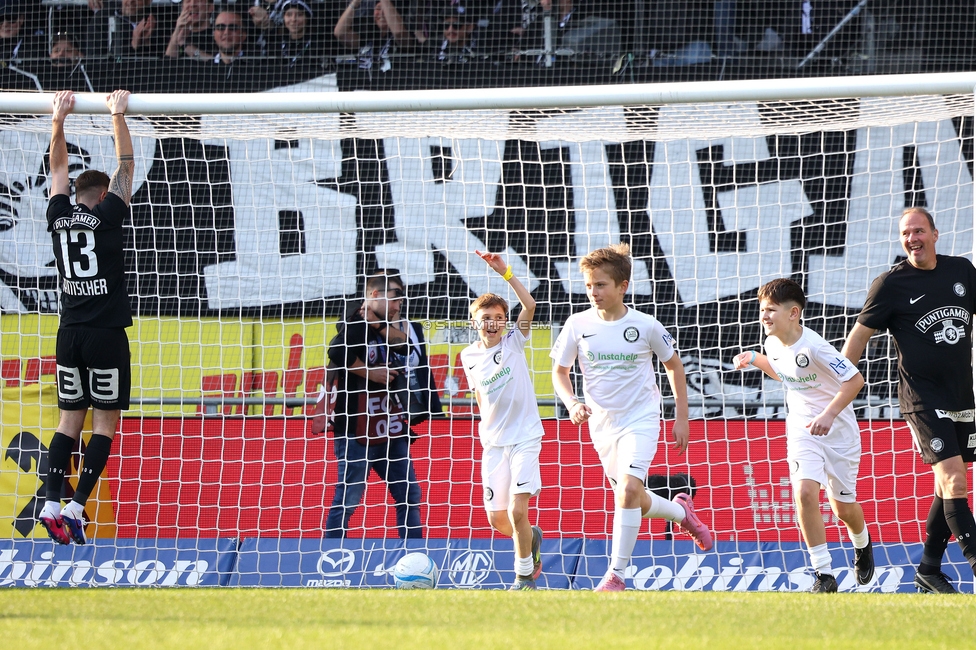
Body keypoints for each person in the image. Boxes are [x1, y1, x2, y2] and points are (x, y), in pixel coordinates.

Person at [550, 242, 711, 592]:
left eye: (601, 284)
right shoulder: (577, 325)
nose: (594, 292)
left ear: (622, 286)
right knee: (633, 497)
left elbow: (674, 366)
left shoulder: (646, 325)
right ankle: (682, 512)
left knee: (627, 493)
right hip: (602, 425)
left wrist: (681, 417)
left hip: (641, 418)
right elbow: (559, 373)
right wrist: (571, 402)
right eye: (589, 285)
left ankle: (615, 576)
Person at [842, 206, 976, 594]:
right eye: (905, 234)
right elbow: (857, 339)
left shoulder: (962, 271)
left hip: (961, 397)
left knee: (945, 487)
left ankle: (928, 570)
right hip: (921, 399)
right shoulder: (891, 284)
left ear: (935, 234)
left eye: (919, 231)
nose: (912, 239)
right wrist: (837, 392)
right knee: (955, 480)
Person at [733, 278, 874, 593]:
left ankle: (862, 542)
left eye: (771, 310)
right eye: (762, 310)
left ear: (793, 312)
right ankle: (823, 575)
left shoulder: (814, 346)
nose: (764, 316)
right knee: (805, 494)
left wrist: (828, 414)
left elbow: (855, 381)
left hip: (839, 432)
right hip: (801, 427)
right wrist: (755, 359)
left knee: (842, 509)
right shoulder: (772, 343)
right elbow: (783, 372)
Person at [38, 89, 135, 546]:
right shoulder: (111, 216)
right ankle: (76, 508)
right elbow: (126, 167)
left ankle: (51, 503)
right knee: (103, 425)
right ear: (102, 197)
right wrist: (117, 115)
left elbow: (57, 168)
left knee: (66, 422)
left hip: (68, 333)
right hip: (105, 336)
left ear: (76, 195)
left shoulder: (58, 215)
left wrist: (58, 120)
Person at [460, 250, 544, 590]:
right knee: (499, 520)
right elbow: (481, 395)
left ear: (505, 322)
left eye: (497, 317)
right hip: (493, 443)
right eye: (485, 318)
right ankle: (531, 539)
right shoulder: (467, 356)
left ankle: (523, 578)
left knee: (517, 511)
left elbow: (530, 305)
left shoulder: (513, 341)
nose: (491, 323)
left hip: (525, 437)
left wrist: (505, 272)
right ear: (475, 322)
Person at [324, 269, 423, 539]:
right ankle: (329, 559)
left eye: (401, 299)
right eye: (394, 298)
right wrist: (369, 372)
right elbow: (335, 351)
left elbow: (405, 347)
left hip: (389, 427)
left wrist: (378, 325)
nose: (399, 304)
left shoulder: (384, 327)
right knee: (348, 499)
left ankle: (412, 553)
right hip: (357, 429)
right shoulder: (355, 325)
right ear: (375, 295)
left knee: (410, 494)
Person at [334, 0, 414, 72]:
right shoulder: (367, 34)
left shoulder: (401, 35)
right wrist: (355, 2)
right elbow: (340, 33)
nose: (382, 13)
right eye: (378, 9)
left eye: (385, 10)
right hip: (361, 85)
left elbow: (398, 33)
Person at [84, 0, 170, 60]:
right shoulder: (102, 18)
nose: (131, 1)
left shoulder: (156, 21)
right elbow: (94, 61)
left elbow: (161, 62)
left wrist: (146, 43)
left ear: (148, 1)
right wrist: (133, 45)